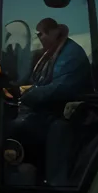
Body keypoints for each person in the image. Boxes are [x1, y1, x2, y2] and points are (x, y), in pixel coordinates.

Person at [7, 18, 91, 175]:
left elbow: (60, 88)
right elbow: (42, 82)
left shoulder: (71, 54)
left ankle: (50, 181)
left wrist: (26, 94)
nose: (39, 40)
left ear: (54, 32)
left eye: (40, 35)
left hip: (64, 114)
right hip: (50, 110)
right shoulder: (54, 52)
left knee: (11, 129)